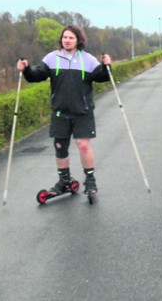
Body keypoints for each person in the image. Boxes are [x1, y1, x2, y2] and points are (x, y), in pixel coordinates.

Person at [16, 25, 112, 202]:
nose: (67, 40)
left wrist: (106, 67)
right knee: (60, 147)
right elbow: (36, 76)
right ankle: (65, 181)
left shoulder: (87, 59)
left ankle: (90, 181)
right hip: (60, 112)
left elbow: (101, 77)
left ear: (78, 40)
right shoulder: (52, 58)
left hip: (82, 111)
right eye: (64, 37)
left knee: (83, 145)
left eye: (71, 38)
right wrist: (26, 68)